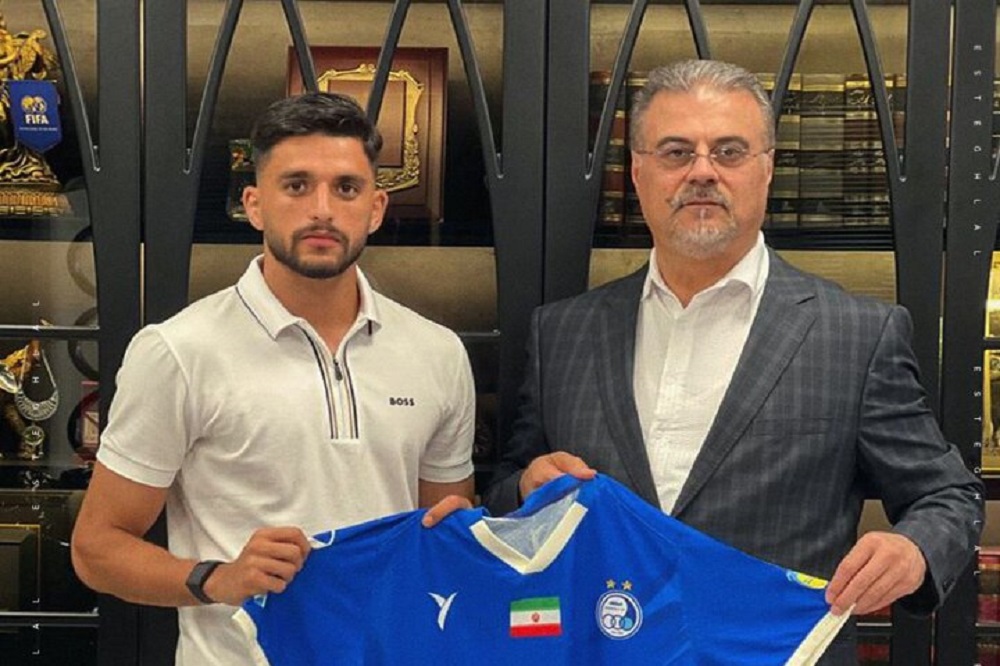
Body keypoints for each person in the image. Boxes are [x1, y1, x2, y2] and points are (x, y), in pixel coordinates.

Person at [482, 59, 983, 663]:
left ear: (766, 168)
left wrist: (914, 550)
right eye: (676, 152)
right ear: (637, 171)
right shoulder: (562, 332)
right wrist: (524, 487)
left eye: (729, 151)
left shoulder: (858, 335)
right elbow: (505, 491)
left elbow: (947, 495)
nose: (702, 171)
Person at [71, 92, 475, 665]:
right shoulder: (179, 351)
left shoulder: (437, 353)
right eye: (296, 185)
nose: (322, 210)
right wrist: (217, 578)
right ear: (255, 205)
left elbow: (445, 535)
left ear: (376, 208)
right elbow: (96, 548)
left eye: (346, 188)